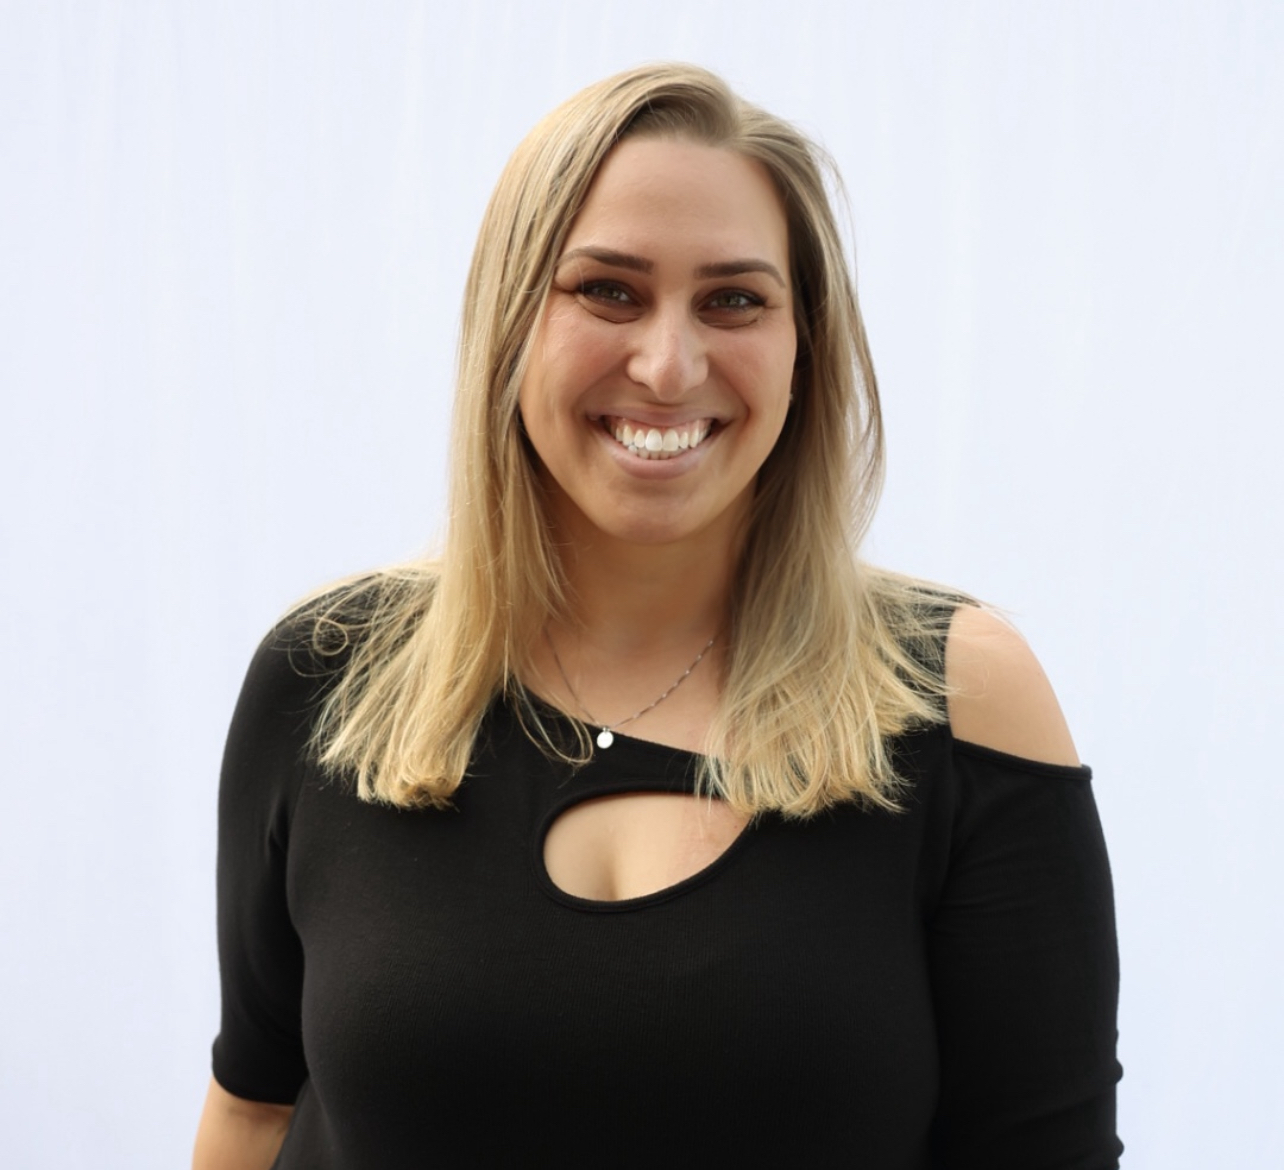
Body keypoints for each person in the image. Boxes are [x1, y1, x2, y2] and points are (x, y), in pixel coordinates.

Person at [193, 63, 1121, 1169]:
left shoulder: (958, 699)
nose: (669, 364)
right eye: (608, 291)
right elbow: (253, 1108)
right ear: (509, 323)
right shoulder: (330, 676)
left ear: (802, 346)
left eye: (734, 299)